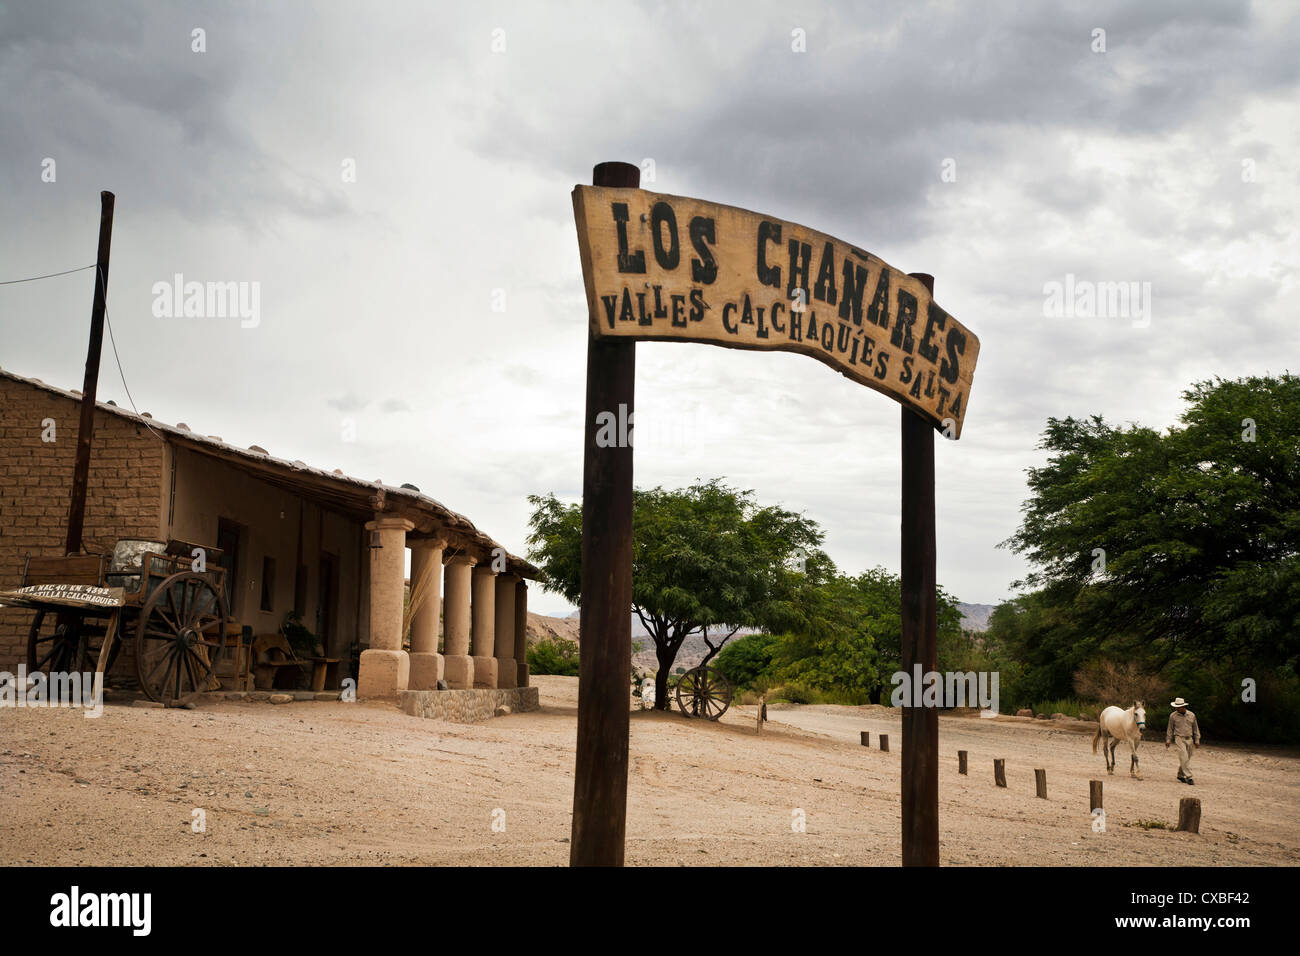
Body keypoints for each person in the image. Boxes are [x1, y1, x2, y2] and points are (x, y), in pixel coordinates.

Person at [1165, 697, 1201, 785]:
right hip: (1179, 738)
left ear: (1183, 706)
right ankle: (1189, 777)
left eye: (1179, 707)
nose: (1177, 708)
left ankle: (1180, 775)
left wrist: (1197, 740)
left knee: (1187, 758)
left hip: (1190, 739)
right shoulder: (1173, 716)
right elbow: (1170, 728)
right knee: (1183, 757)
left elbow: (1195, 728)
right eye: (1176, 707)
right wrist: (1168, 739)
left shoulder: (1192, 715)